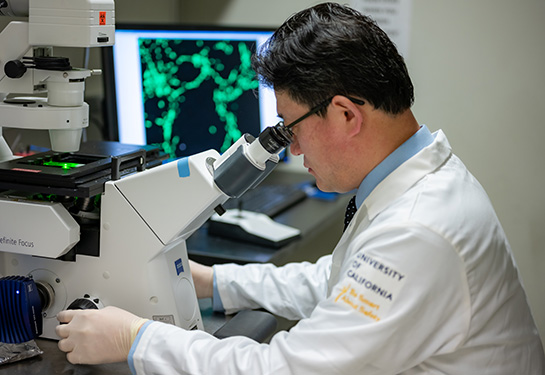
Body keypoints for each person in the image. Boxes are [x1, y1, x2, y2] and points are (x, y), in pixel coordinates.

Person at [56, 3, 544, 374]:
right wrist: (216, 281)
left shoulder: (419, 231)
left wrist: (137, 339)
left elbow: (286, 368)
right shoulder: (421, 181)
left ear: (346, 114)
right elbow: (340, 281)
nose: (290, 149)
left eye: (291, 126)